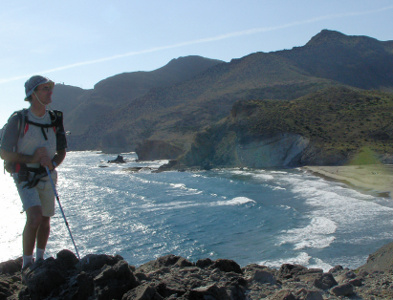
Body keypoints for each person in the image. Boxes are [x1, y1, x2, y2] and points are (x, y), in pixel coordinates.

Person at [0, 75, 67, 270]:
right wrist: (33, 159)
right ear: (32, 94)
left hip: (47, 174)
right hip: (24, 174)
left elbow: (62, 151)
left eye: (50, 88)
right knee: (35, 217)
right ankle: (27, 265)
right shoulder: (19, 119)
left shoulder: (55, 119)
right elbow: (4, 153)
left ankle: (40, 260)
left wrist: (52, 164)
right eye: (45, 88)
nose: (50, 92)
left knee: (45, 218)